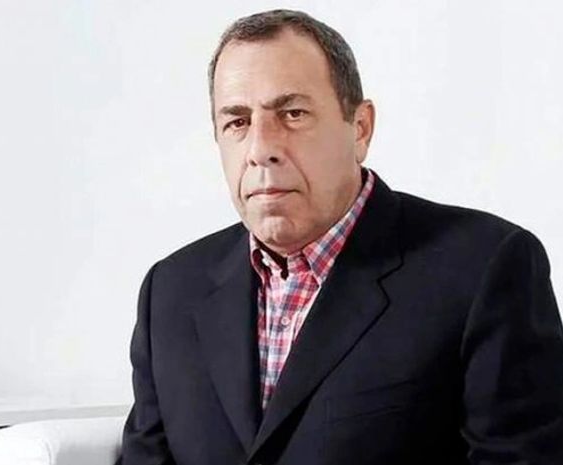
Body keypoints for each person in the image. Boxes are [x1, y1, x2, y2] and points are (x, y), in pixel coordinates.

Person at [118, 9, 563, 464]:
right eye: (237, 122)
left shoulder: (484, 268)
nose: (261, 149)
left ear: (360, 128)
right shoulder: (169, 292)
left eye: (293, 114)